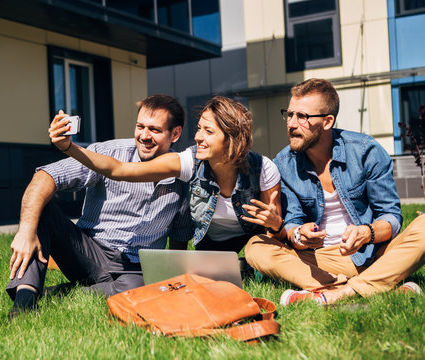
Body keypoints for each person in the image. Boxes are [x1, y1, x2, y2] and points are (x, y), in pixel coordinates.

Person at [6, 94, 193, 319]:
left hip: (135, 269)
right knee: (42, 209)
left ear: (175, 134)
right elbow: (47, 176)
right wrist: (26, 232)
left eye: (154, 129)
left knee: (140, 292)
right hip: (88, 253)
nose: (144, 136)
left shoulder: (183, 177)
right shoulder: (109, 152)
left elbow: (179, 238)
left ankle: (58, 294)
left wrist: (173, 281)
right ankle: (24, 303)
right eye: (140, 127)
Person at [244, 78, 425, 305]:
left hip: (373, 252)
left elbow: (391, 217)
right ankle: (373, 286)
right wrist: (300, 235)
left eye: (302, 116)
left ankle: (337, 293)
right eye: (289, 114)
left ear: (327, 121)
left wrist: (366, 233)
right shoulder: (284, 163)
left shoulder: (365, 151)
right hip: (321, 259)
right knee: (256, 247)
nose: (291, 123)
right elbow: (292, 225)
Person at [53, 95, 286, 254]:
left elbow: (277, 236)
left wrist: (276, 226)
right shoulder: (188, 161)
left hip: (251, 242)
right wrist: (69, 147)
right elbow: (120, 169)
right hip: (210, 247)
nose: (198, 137)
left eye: (208, 131)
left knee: (259, 254)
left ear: (232, 138)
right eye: (198, 129)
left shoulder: (263, 168)